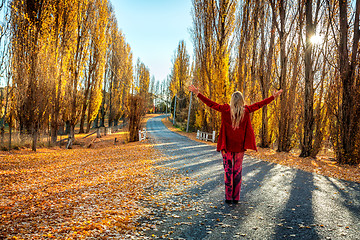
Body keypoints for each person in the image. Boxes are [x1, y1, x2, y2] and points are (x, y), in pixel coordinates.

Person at [188, 85, 283, 204]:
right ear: (242, 101)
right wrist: (272, 97)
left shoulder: (225, 109)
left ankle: (228, 197)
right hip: (239, 147)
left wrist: (198, 94)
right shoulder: (246, 111)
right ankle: (236, 198)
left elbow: (210, 104)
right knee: (237, 171)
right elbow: (260, 104)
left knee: (228, 171)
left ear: (232, 100)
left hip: (227, 146)